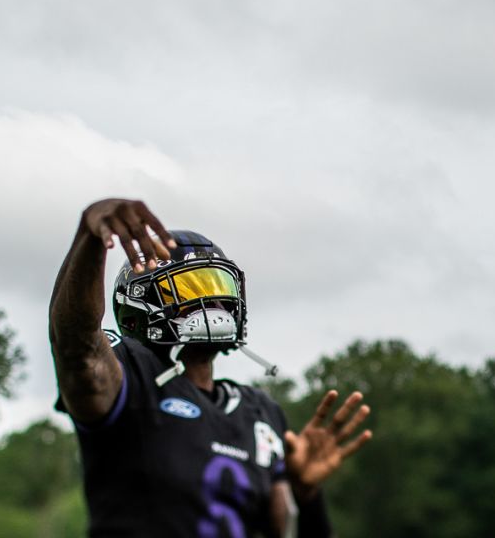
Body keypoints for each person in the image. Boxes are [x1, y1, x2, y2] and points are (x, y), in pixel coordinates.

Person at [49, 198, 372, 537]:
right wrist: (89, 236)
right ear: (139, 303)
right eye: (191, 289)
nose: (215, 303)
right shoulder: (130, 371)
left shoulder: (260, 412)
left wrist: (305, 495)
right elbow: (76, 343)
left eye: (220, 288)